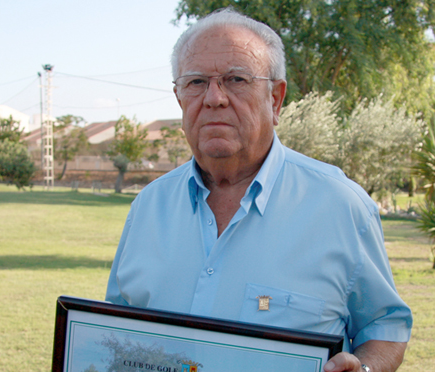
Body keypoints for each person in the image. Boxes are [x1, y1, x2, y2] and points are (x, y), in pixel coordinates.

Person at [106, 8, 412, 372]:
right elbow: (114, 330)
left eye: (236, 79)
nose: (214, 98)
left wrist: (366, 368)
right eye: (196, 82)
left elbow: (384, 324)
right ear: (180, 99)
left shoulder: (341, 206)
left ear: (276, 99)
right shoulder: (147, 207)